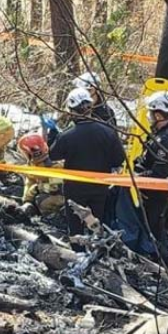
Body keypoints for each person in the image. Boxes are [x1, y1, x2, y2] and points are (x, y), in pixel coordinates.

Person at [49, 88, 126, 250]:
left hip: (74, 188)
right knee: (96, 222)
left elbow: (53, 155)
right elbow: (119, 159)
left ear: (71, 111)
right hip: (100, 187)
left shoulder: (67, 136)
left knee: (75, 226)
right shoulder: (108, 132)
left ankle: (77, 255)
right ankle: (97, 251)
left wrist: (52, 135)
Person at [134, 91, 168, 242]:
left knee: (153, 228)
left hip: (156, 195)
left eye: (151, 113)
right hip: (150, 192)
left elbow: (158, 173)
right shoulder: (160, 134)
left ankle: (154, 256)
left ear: (158, 115)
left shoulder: (166, 140)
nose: (149, 117)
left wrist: (137, 176)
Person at [16, 133, 64, 217]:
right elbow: (29, 183)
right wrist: (27, 201)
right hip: (48, 194)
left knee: (42, 200)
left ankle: (55, 219)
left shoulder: (55, 165)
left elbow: (56, 187)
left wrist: (36, 189)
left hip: (64, 197)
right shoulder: (32, 167)